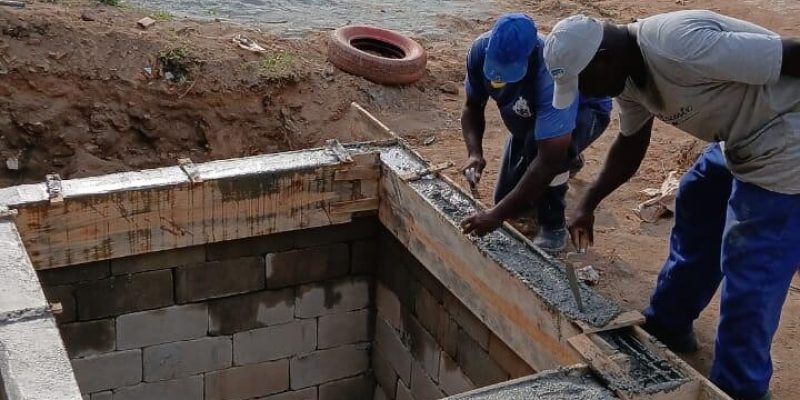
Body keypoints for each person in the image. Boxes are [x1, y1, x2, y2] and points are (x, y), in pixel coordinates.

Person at [542, 10, 800, 400]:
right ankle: (670, 322)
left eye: (586, 82)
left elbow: (793, 54)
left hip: (786, 135)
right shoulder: (626, 75)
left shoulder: (679, 45)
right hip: (741, 135)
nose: (590, 94)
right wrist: (588, 201)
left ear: (604, 56)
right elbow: (631, 144)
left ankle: (740, 388)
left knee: (753, 263)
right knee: (698, 196)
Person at [458, 12, 612, 252]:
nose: (500, 79)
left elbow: (549, 159)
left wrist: (496, 216)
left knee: (552, 156)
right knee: (508, 201)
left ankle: (553, 225)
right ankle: (566, 159)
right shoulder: (479, 51)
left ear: (529, 56)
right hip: (529, 120)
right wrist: (474, 153)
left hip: (584, 112)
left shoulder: (550, 73)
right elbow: (472, 107)